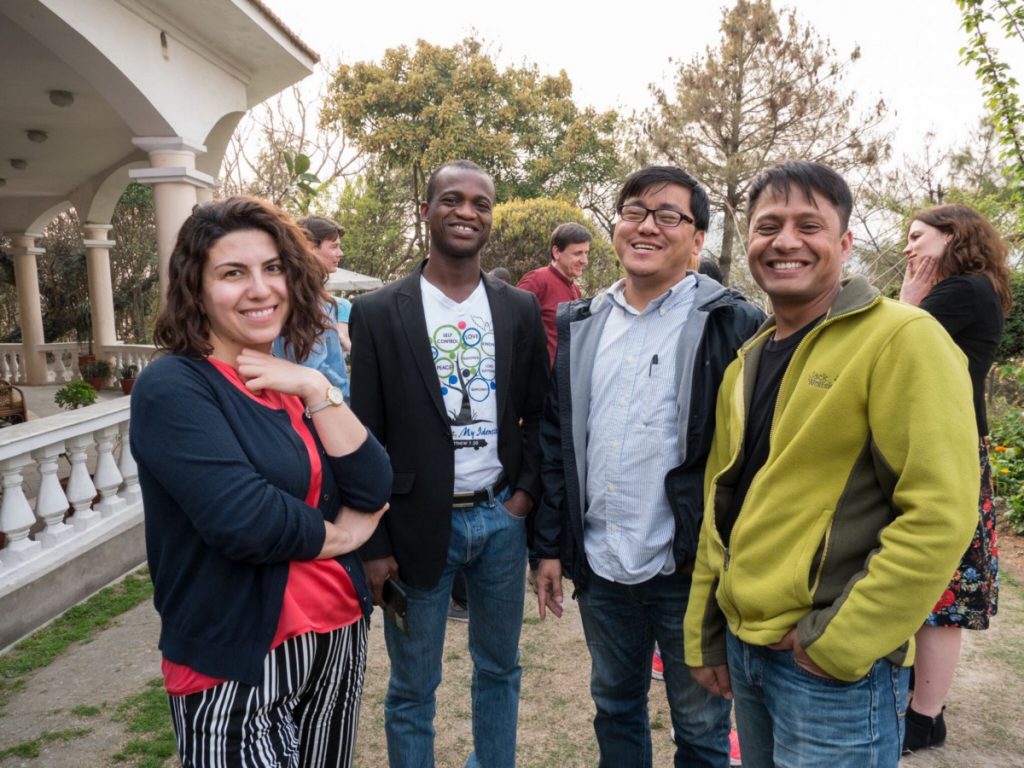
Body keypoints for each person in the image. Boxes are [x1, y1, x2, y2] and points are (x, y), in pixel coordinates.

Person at [684, 161, 980, 768]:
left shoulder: (902, 338)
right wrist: (706, 632)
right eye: (769, 226)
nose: (785, 241)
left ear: (844, 244)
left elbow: (941, 513)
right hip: (746, 651)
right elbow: (722, 510)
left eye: (808, 225)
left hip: (832, 674)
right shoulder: (747, 360)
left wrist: (839, 642)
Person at [129, 196, 392, 767]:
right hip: (234, 659)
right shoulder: (173, 387)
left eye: (273, 268)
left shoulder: (293, 380)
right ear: (196, 289)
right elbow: (245, 519)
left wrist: (316, 388)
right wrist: (346, 538)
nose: (259, 288)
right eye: (232, 273)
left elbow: (373, 484)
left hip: (336, 637)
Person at [534, 165, 764, 768]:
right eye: (634, 212)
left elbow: (753, 455)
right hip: (602, 564)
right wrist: (551, 547)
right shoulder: (582, 322)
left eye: (668, 216)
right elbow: (559, 440)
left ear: (698, 238)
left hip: (686, 569)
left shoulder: (733, 323)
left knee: (702, 728)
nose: (647, 227)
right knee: (614, 709)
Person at [349, 159, 549, 768]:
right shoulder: (379, 311)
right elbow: (363, 435)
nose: (467, 212)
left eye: (481, 203)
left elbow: (539, 413)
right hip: (414, 525)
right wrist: (374, 542)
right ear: (426, 210)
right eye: (452, 199)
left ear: (491, 217)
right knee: (413, 688)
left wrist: (522, 499)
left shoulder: (517, 307)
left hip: (500, 521)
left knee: (500, 669)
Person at [899, 203, 1011, 753]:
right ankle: (919, 703)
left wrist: (906, 305)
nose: (908, 247)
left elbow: (890, 348)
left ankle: (924, 718)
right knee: (933, 588)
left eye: (917, 236)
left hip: (947, 453)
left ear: (953, 237)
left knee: (943, 594)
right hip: (949, 448)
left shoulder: (963, 291)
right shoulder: (972, 289)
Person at [273, 215, 352, 401]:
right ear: (309, 246)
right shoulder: (302, 297)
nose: (340, 253)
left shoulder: (310, 294)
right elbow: (313, 365)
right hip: (320, 402)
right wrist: (345, 395)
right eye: (333, 246)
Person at [517, 222, 592, 365]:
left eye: (586, 253)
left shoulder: (576, 290)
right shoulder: (536, 281)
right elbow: (512, 328)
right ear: (557, 252)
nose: (584, 261)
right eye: (578, 253)